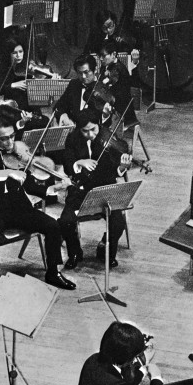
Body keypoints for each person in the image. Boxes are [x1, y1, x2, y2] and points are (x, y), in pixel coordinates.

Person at [0, 114, 75, 289]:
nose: (9, 142)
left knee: (53, 226)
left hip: (18, 206)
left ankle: (53, 272)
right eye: (4, 138)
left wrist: (54, 189)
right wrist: (7, 173)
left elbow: (28, 181)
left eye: (12, 136)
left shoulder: (16, 152)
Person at [57, 109, 133, 271]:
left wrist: (121, 167)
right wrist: (79, 163)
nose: (91, 134)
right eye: (85, 131)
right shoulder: (72, 139)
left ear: (99, 125)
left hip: (105, 188)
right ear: (79, 129)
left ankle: (106, 249)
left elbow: (113, 170)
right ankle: (75, 252)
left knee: (118, 222)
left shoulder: (107, 137)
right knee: (65, 221)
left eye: (94, 129)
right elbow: (67, 164)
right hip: (80, 189)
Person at [53, 54, 100, 128]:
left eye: (86, 72)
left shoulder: (102, 88)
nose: (83, 76)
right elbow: (59, 106)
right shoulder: (74, 84)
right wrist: (63, 116)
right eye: (80, 73)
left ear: (95, 70)